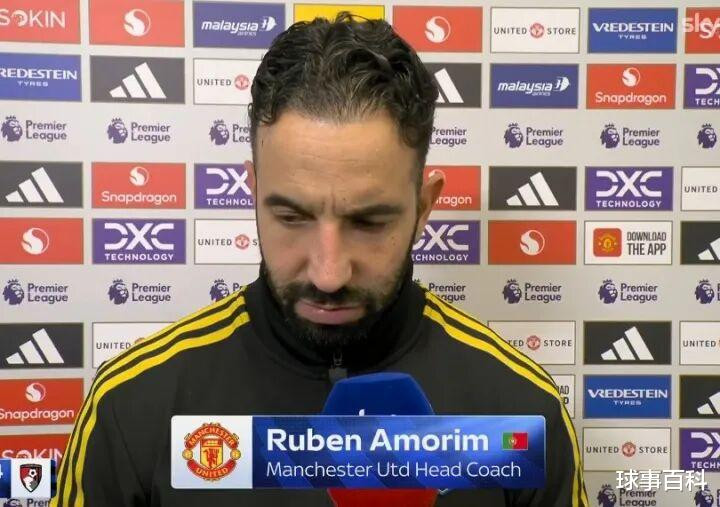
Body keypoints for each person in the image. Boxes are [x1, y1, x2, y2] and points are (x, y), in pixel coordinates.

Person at [52, 13, 588, 507]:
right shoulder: (133, 405)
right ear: (253, 192)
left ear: (424, 207)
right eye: (292, 217)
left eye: (369, 222)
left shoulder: (521, 411)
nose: (329, 274)